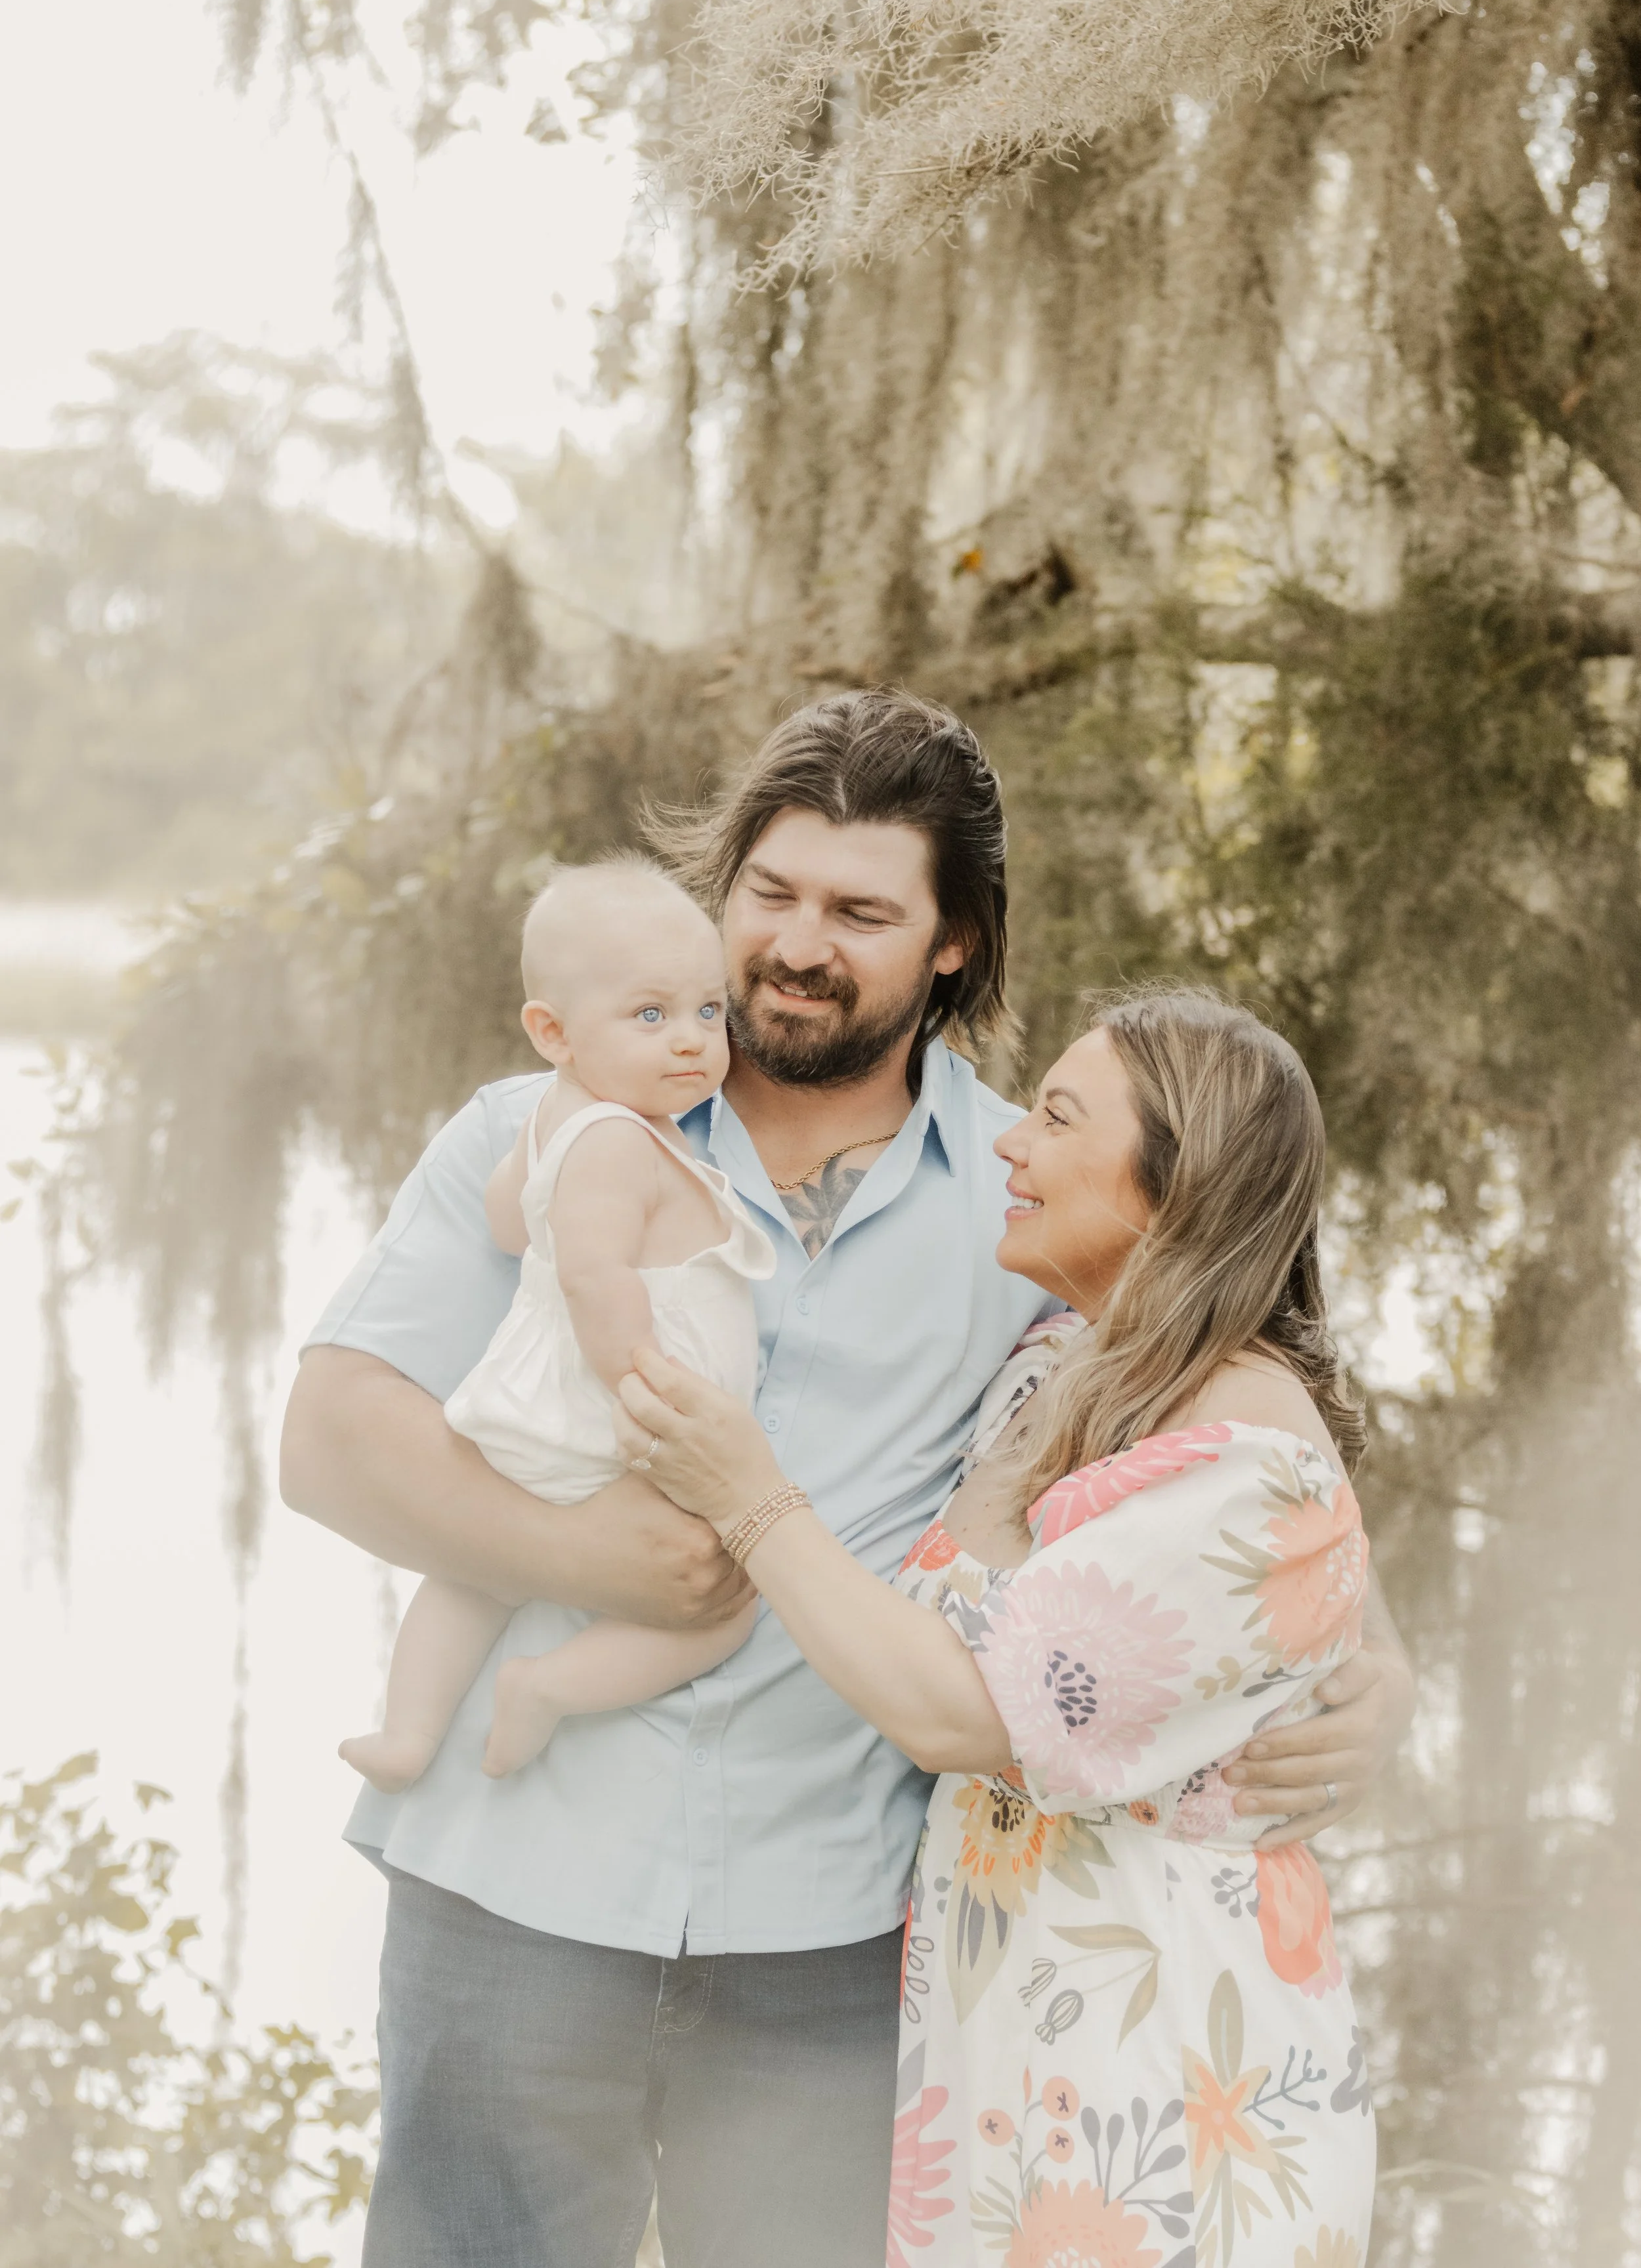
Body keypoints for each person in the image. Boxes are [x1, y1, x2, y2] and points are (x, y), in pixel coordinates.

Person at [281, 690, 1410, 2268]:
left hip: (830, 1949)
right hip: (509, 1891)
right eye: (772, 894)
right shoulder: (550, 1136)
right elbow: (330, 1441)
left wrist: (1374, 1661)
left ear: (951, 945)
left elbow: (1226, 1420)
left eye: (862, 913)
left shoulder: (1037, 1199)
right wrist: (595, 1558)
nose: (798, 947)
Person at [616, 988, 1378, 2267]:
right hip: (1008, 2097)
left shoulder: (1249, 1464)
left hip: (1160, 2117)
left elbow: (964, 1713)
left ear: (1175, 1184)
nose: (1009, 1143)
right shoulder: (1061, 1369)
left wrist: (749, 1500)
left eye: (1060, 1116)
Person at [339, 862, 773, 1792]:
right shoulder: (622, 1140)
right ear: (553, 1031)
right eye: (650, 1017)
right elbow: (594, 1275)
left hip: (523, 1407)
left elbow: (511, 1221)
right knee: (726, 1602)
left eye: (708, 1011)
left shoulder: (551, 1118)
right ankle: (550, 1688)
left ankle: (408, 1730)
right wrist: (641, 1394)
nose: (693, 1041)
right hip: (614, 1416)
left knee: (472, 1575)